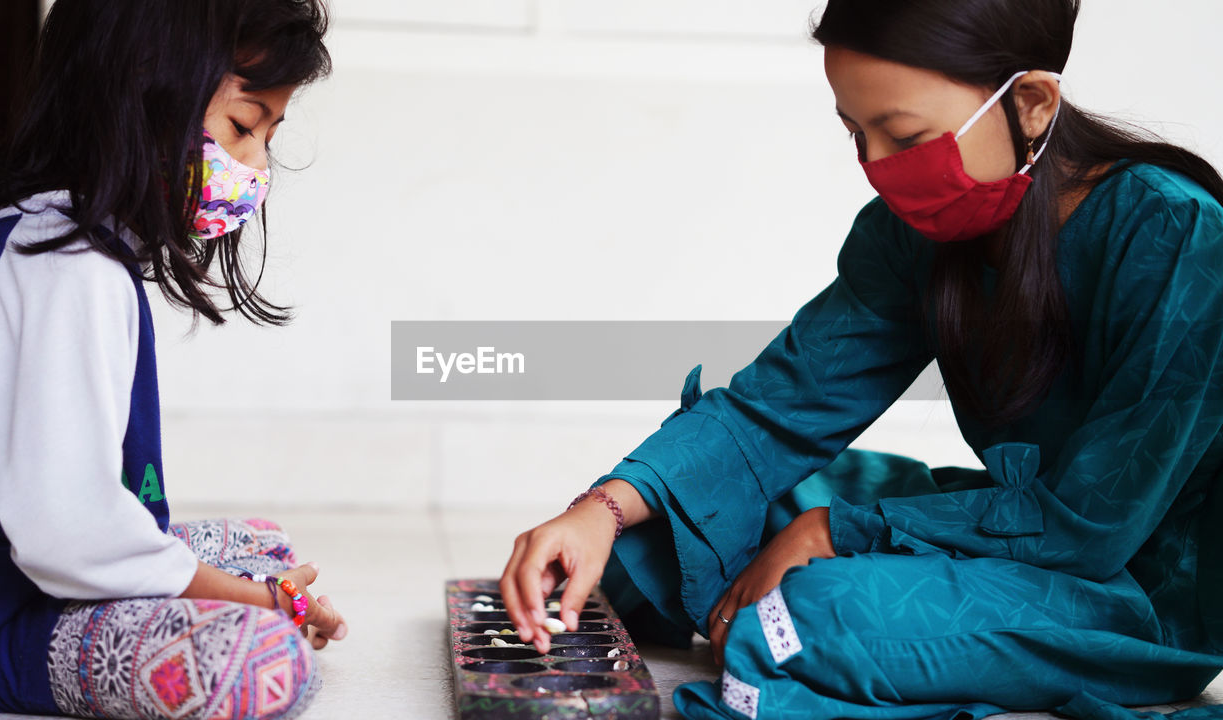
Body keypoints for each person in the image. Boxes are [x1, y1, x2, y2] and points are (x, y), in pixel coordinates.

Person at [499, 1, 1223, 718]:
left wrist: (836, 533)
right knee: (662, 532)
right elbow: (777, 407)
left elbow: (1090, 525)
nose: (877, 167)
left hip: (1131, 587)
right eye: (856, 132)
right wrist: (601, 509)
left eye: (904, 135)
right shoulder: (912, 235)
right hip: (1017, 530)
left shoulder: (1180, 236)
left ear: (1031, 104)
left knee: (805, 618)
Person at [0, 1, 348, 717]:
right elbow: (67, 532)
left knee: (262, 544)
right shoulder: (67, 267)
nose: (255, 168)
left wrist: (259, 581)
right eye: (241, 127)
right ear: (141, 91)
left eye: (267, 138)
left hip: (25, 570)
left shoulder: (63, 238)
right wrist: (259, 601)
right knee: (262, 659)